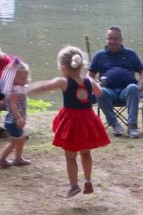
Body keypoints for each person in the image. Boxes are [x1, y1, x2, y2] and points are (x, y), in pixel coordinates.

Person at [28, 46, 110, 197]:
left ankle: (74, 186)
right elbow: (100, 93)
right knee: (86, 153)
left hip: (72, 123)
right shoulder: (89, 81)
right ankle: (88, 180)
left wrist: (27, 88)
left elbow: (45, 86)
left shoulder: (63, 81)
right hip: (87, 121)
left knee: (71, 157)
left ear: (63, 67)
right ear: (81, 65)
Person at [89, 26, 143, 138]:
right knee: (100, 91)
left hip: (126, 91)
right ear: (106, 39)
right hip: (108, 91)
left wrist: (140, 84)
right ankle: (115, 125)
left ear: (121, 39)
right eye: (110, 38)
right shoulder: (99, 56)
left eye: (115, 39)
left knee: (133, 87)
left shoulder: (130, 53)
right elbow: (89, 75)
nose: (112, 41)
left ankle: (132, 126)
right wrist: (95, 85)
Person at [0, 62, 31, 168]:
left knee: (21, 139)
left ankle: (18, 159)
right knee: (13, 142)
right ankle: (2, 160)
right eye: (21, 78)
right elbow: (13, 104)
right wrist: (19, 117)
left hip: (13, 121)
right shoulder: (15, 90)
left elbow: (7, 100)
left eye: (26, 78)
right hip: (14, 121)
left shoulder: (15, 88)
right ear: (13, 79)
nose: (24, 80)